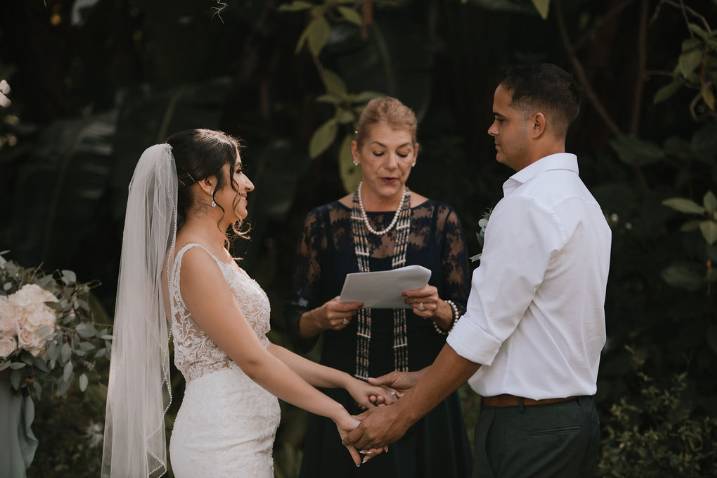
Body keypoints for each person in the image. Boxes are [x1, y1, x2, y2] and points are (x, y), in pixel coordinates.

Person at [346, 64, 611, 478]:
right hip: (565, 423)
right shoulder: (582, 203)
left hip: (529, 432)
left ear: (537, 123)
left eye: (501, 118)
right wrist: (427, 377)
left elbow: (485, 328)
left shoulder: (529, 206)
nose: (491, 129)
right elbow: (529, 328)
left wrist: (400, 418)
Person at [101, 129, 392, 478]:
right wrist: (337, 413)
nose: (249, 183)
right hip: (219, 441)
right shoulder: (193, 260)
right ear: (208, 184)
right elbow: (252, 360)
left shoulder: (215, 254)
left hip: (246, 441)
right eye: (237, 172)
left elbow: (262, 347)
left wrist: (345, 381)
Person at [288, 97, 473, 477]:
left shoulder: (440, 220)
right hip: (345, 402)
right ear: (356, 151)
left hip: (425, 403)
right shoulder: (323, 223)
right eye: (379, 152)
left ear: (416, 154)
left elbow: (473, 323)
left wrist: (439, 309)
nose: (392, 165)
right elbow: (295, 325)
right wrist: (321, 317)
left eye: (403, 153)